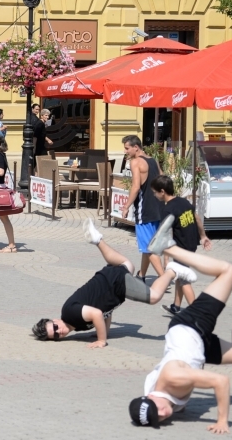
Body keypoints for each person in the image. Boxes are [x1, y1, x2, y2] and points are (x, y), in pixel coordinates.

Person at [128, 215, 232, 433]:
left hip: (190, 326)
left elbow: (221, 381)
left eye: (156, 410)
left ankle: (169, 248)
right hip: (196, 346)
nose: (162, 414)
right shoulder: (155, 392)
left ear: (150, 397)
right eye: (157, 418)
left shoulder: (173, 377)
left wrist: (222, 420)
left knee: (229, 272)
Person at [31, 218, 197, 348]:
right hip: (110, 276)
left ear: (54, 320)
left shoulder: (69, 315)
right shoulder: (75, 324)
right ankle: (98, 240)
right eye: (57, 336)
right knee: (128, 265)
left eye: (55, 328)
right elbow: (104, 311)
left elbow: (97, 314)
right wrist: (105, 331)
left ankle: (172, 271)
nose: (59, 331)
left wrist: (102, 340)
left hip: (115, 283)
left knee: (153, 297)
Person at [150, 175, 212, 315]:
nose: (154, 195)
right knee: (180, 274)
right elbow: (196, 217)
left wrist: (166, 259)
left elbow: (165, 234)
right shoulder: (183, 202)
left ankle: (196, 314)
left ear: (162, 191)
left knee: (184, 280)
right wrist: (203, 236)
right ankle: (176, 307)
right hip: (191, 244)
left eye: (155, 192)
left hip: (181, 248)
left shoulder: (168, 210)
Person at [120, 135, 165, 278]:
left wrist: (126, 206)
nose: (126, 151)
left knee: (148, 247)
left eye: (127, 148)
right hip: (157, 207)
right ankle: (142, 275)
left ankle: (163, 277)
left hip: (144, 209)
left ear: (136, 147)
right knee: (148, 245)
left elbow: (135, 187)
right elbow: (163, 179)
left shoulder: (136, 162)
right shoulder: (153, 160)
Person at [31, 104, 48, 169]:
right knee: (41, 161)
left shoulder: (38, 120)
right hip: (38, 146)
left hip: (39, 145)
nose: (37, 111)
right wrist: (34, 147)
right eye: (36, 109)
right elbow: (35, 135)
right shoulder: (37, 121)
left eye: (38, 109)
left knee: (36, 162)